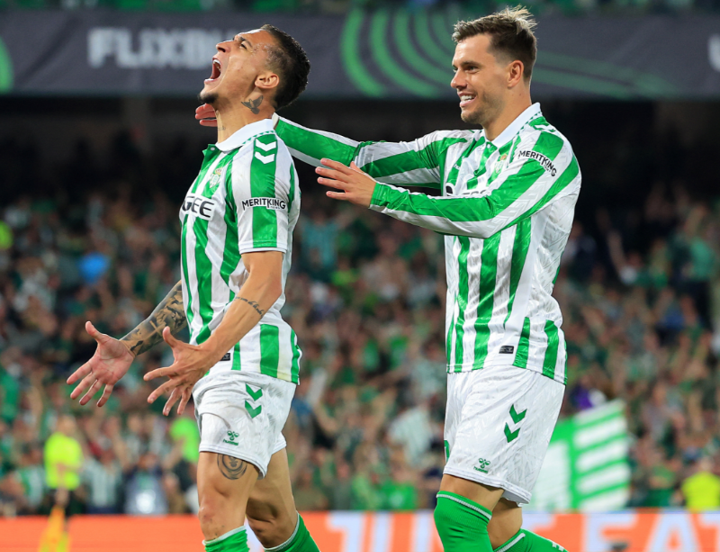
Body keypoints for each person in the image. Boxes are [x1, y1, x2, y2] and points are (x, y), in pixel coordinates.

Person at [197, 7, 579, 552]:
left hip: (519, 353)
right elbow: (360, 156)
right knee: (498, 530)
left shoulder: (547, 150)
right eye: (455, 68)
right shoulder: (456, 150)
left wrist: (382, 197)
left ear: (513, 72)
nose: (456, 80)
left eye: (470, 68)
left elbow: (489, 212)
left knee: (458, 517)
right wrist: (259, 119)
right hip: (465, 361)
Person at [68, 25, 321, 552]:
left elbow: (265, 279)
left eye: (242, 45)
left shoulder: (260, 159)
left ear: (266, 80)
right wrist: (130, 346)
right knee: (274, 524)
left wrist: (206, 352)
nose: (223, 47)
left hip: (242, 358)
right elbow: (204, 280)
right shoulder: (223, 159)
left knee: (214, 512)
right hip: (225, 358)